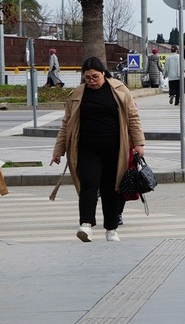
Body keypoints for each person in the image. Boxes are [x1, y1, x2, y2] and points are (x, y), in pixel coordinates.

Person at [51, 57, 146, 242]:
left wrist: (139, 144)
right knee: (88, 184)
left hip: (115, 149)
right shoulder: (77, 95)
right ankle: (86, 224)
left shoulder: (119, 90)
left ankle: (111, 229)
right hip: (87, 148)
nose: (91, 81)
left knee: (111, 188)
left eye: (95, 76)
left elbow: (133, 117)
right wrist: (58, 150)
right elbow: (66, 125)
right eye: (87, 78)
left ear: (103, 73)